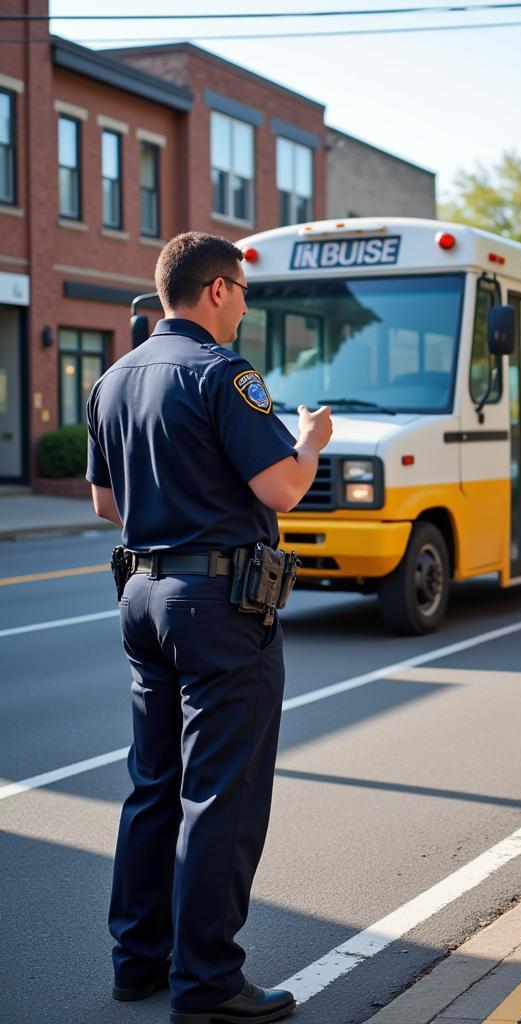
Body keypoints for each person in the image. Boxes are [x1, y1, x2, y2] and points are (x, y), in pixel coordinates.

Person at [88, 232, 332, 1024]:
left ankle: (139, 962)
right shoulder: (223, 373)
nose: (246, 308)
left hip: (142, 596)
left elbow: (104, 505)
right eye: (245, 293)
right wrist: (310, 443)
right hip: (220, 605)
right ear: (219, 290)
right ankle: (209, 982)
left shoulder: (113, 378)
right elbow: (283, 488)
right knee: (220, 794)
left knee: (153, 785)